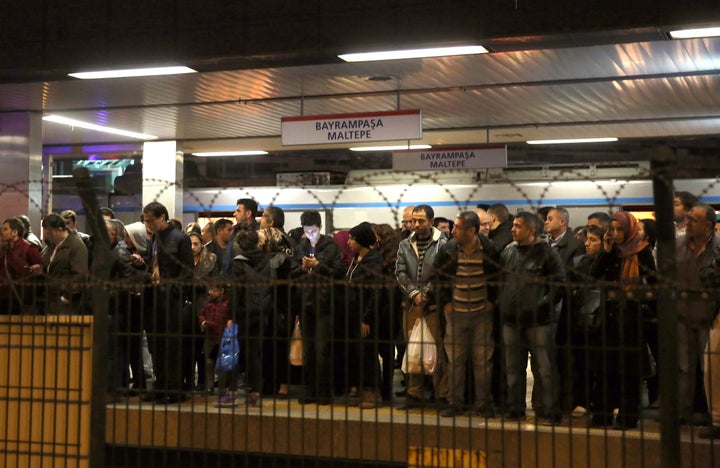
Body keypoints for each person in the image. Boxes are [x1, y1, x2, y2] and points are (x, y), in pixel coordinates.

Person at [588, 211, 656, 429]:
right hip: (609, 319)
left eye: (620, 229)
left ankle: (627, 417)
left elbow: (653, 285)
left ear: (629, 229)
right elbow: (593, 276)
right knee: (605, 369)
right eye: (613, 229)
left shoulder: (642, 251)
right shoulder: (611, 252)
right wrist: (606, 252)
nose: (616, 234)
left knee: (629, 371)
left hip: (632, 319)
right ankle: (602, 415)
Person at [499, 211, 565, 425]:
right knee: (512, 368)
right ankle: (515, 408)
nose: (512, 228)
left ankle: (550, 410)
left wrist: (540, 305)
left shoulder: (546, 253)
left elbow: (559, 285)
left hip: (539, 321)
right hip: (511, 320)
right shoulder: (508, 252)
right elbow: (501, 281)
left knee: (544, 369)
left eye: (518, 226)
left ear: (531, 230)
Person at [434, 211, 500, 417]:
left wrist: (492, 301)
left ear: (472, 230)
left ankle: (483, 403)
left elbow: (499, 277)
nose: (453, 231)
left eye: (458, 227)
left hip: (482, 314)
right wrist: (445, 302)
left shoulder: (489, 250)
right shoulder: (447, 250)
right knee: (455, 360)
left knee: (483, 361)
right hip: (455, 314)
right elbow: (438, 278)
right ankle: (455, 402)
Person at [395, 204, 448, 409]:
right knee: (413, 350)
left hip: (434, 305)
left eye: (421, 221)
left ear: (431, 222)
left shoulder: (443, 243)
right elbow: (399, 273)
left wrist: (427, 292)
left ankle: (441, 394)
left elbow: (442, 272)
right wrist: (414, 293)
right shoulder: (405, 244)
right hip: (411, 304)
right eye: (413, 221)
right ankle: (414, 394)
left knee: (438, 351)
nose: (416, 225)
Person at [141, 201, 194, 403]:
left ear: (162, 217)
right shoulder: (155, 238)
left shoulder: (180, 239)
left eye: (150, 220)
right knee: (157, 345)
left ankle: (174, 389)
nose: (148, 225)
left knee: (172, 345)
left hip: (170, 300)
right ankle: (160, 386)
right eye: (145, 221)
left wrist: (174, 291)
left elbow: (187, 270)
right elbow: (152, 263)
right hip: (154, 298)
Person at [290, 210, 344, 405]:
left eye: (313, 231)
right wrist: (302, 268)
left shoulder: (331, 246)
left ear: (320, 228)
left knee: (322, 349)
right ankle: (309, 390)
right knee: (308, 350)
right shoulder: (301, 246)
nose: (310, 235)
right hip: (305, 303)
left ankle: (324, 391)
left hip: (325, 303)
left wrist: (319, 265)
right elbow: (292, 272)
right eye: (307, 231)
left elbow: (338, 274)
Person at [675, 203, 720, 424]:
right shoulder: (678, 245)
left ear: (709, 226)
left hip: (711, 319)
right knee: (684, 368)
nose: (688, 222)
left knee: (710, 369)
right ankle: (683, 413)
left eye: (694, 220)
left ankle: (713, 416)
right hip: (682, 316)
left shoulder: (718, 249)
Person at [544, 207, 585, 412]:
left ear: (562, 222)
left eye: (550, 219)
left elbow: (573, 279)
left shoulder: (575, 246)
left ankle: (567, 401)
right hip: (545, 306)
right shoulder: (543, 245)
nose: (545, 222)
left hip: (565, 309)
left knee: (565, 358)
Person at [231, 228, 272, 407]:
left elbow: (236, 292)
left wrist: (230, 316)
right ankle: (255, 392)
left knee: (234, 352)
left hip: (242, 314)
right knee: (255, 354)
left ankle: (231, 391)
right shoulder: (266, 262)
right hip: (261, 313)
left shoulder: (238, 263)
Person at [345, 222, 384, 409]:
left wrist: (367, 318)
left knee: (368, 354)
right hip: (353, 313)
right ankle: (360, 390)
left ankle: (373, 392)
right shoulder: (356, 259)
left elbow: (376, 292)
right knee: (357, 353)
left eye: (352, 239)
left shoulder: (374, 261)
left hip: (365, 314)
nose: (349, 242)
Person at [373, 223, 402, 402]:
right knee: (388, 351)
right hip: (392, 310)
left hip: (381, 310)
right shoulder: (395, 261)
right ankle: (386, 390)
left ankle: (379, 389)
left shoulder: (377, 261)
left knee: (378, 350)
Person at [41, 213, 89, 315]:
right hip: (51, 298)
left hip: (67, 302)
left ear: (59, 230)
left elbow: (80, 275)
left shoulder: (76, 246)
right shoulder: (52, 245)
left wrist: (66, 297)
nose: (46, 236)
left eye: (49, 233)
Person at [0, 217, 44, 314]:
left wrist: (38, 268)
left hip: (20, 299)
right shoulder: (4, 249)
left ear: (15, 232)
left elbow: (41, 268)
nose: (2, 232)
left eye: (5, 229)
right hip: (3, 297)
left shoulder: (28, 248)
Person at [198, 285, 229, 395]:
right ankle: (209, 387)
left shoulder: (226, 304)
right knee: (209, 363)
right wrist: (203, 321)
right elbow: (201, 314)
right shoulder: (207, 303)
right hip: (210, 337)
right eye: (210, 289)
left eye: (213, 289)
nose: (210, 292)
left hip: (222, 337)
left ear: (221, 291)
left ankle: (222, 388)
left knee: (222, 364)